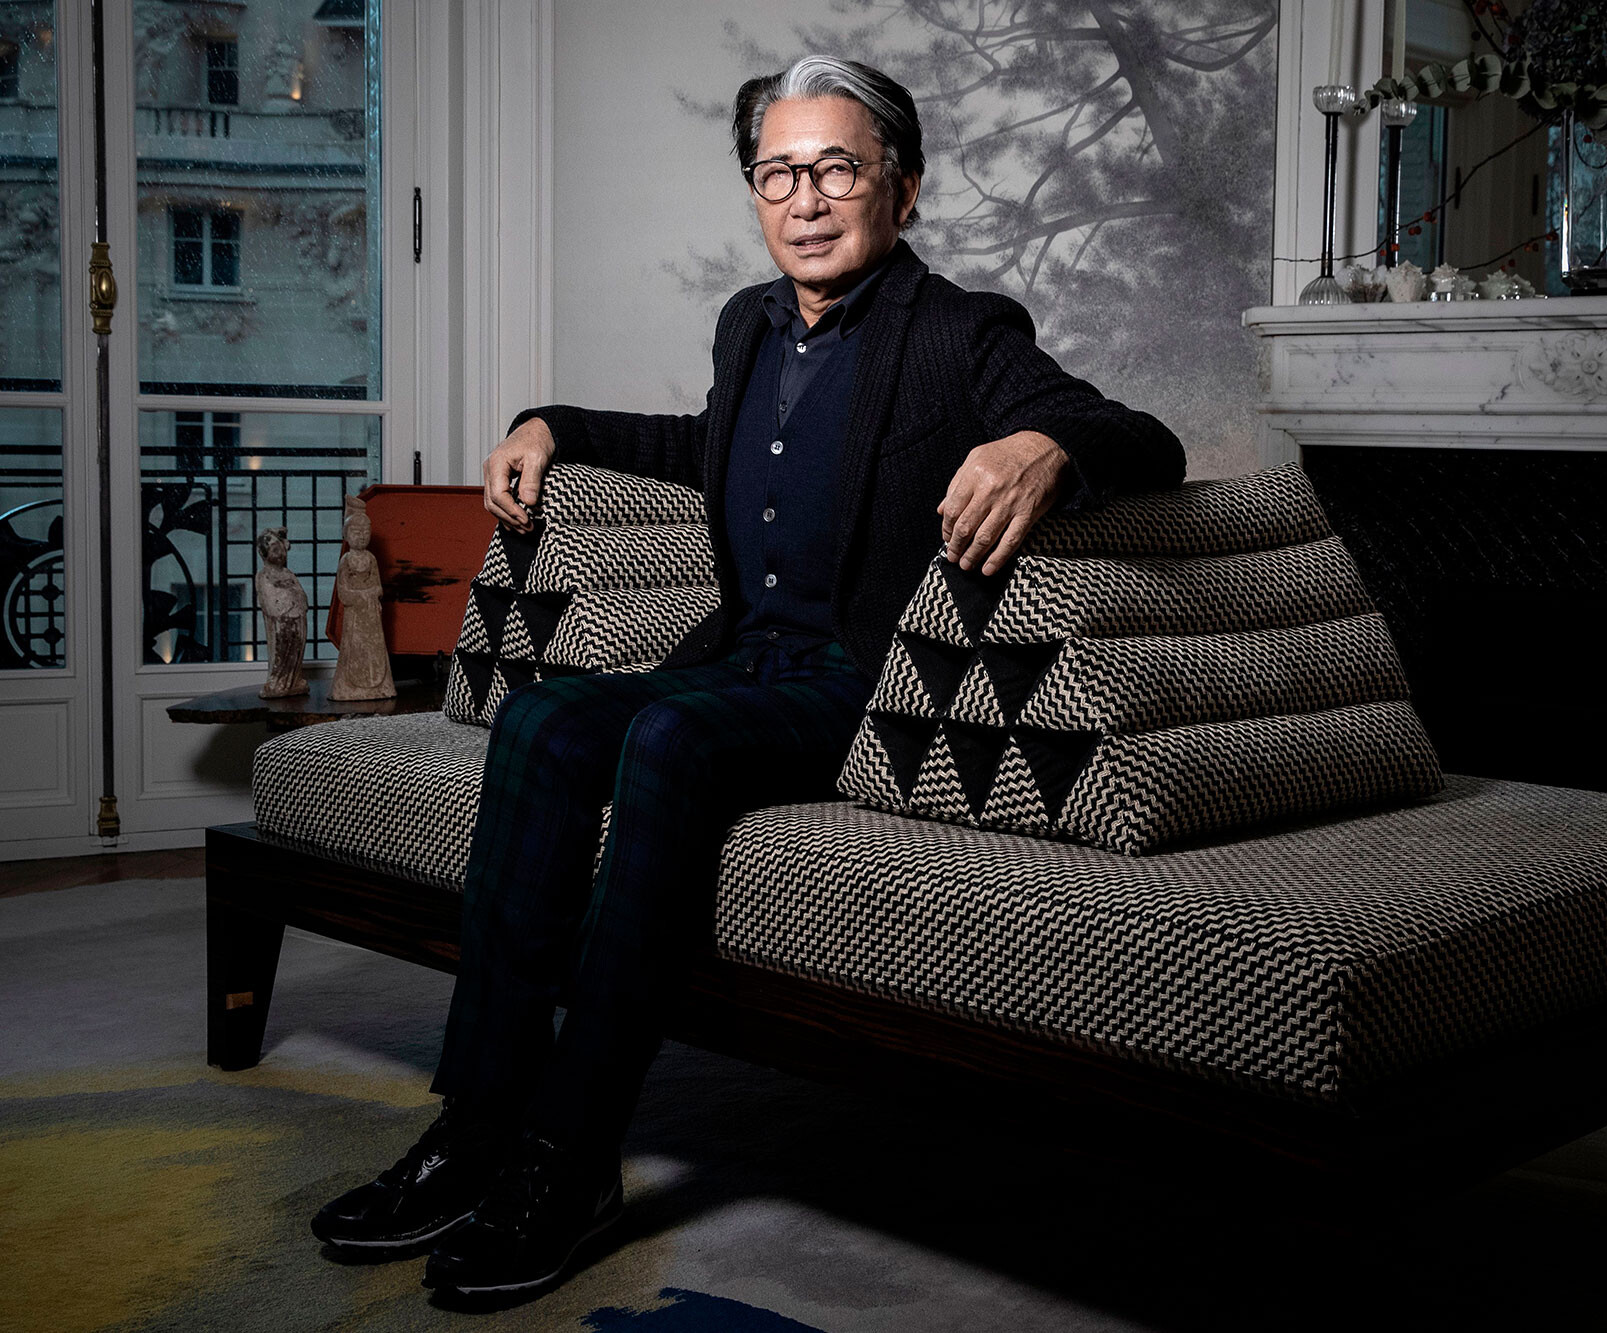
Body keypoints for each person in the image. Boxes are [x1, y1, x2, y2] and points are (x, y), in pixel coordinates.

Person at [310, 54, 1183, 1303]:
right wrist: (549, 422)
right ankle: (476, 1125)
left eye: (837, 169)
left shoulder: (960, 331)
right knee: (545, 717)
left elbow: (1143, 440)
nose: (805, 200)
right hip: (742, 662)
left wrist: (1043, 442)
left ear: (902, 189)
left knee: (666, 740)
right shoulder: (748, 323)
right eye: (777, 173)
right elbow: (703, 448)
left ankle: (570, 1156)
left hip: (863, 688)